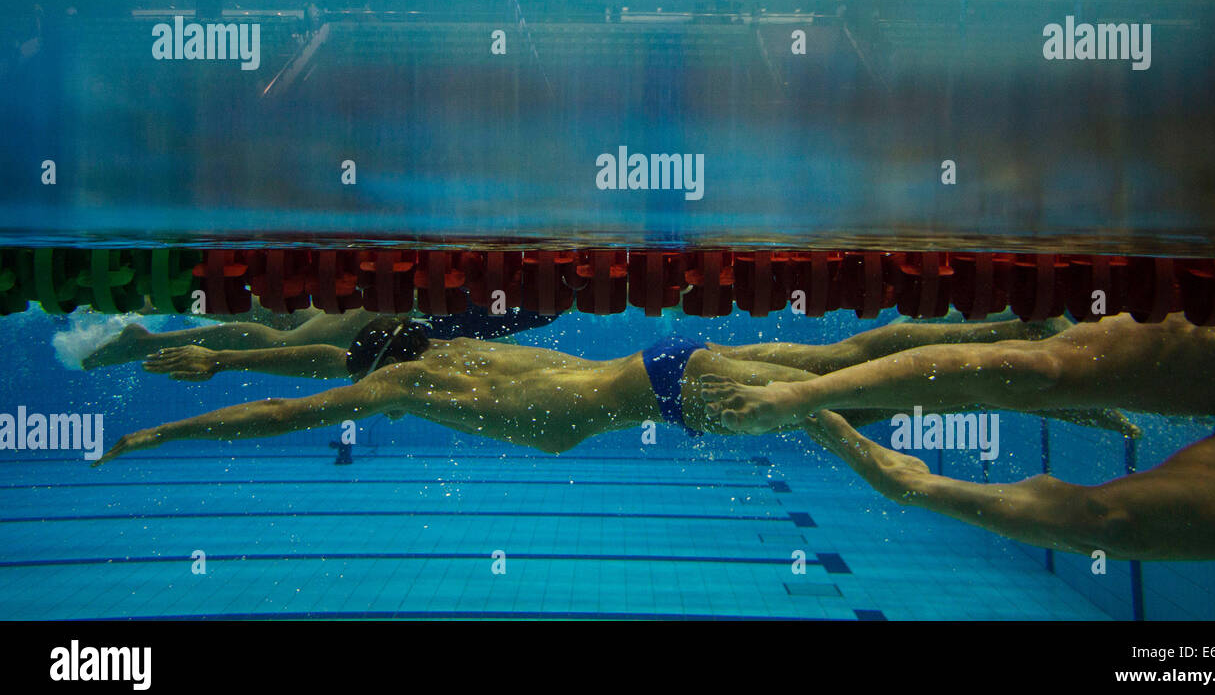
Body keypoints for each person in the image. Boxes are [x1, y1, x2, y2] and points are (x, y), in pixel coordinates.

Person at [95, 316, 1135, 466]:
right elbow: (288, 380)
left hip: (672, 387)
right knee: (856, 365)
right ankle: (1039, 352)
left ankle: (1051, 384)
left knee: (859, 434)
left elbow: (281, 407)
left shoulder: (406, 384)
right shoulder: (450, 350)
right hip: (667, 366)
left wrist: (158, 438)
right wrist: (222, 362)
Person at [702, 315, 1215, 561]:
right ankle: (774, 387)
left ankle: (911, 483)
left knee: (1105, 526)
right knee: (1037, 370)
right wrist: (804, 398)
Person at [82, 304, 557, 372]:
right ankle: (141, 342)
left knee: (289, 319)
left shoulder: (541, 305)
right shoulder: (542, 306)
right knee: (279, 341)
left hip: (405, 306)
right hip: (398, 311)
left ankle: (177, 296)